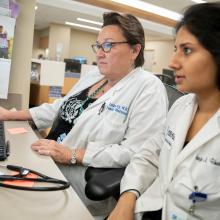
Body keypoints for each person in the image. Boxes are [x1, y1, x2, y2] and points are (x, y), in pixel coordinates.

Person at [0, 12, 167, 218]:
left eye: (108, 45)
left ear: (135, 50)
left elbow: (135, 151)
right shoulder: (95, 75)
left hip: (76, 183)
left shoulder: (148, 88)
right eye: (98, 46)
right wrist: (11, 115)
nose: (99, 53)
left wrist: (72, 154)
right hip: (46, 159)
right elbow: (59, 107)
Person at [108, 3, 220, 220]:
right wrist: (127, 197)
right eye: (175, 49)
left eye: (187, 50)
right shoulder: (181, 107)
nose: (173, 62)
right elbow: (150, 154)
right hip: (150, 209)